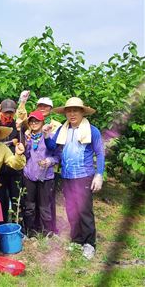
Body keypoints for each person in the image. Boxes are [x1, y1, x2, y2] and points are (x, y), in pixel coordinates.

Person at [45, 97, 105, 260]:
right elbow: (52, 147)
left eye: (75, 110)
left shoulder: (92, 131)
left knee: (84, 210)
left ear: (82, 112)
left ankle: (89, 243)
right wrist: (46, 135)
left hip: (84, 176)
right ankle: (77, 239)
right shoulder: (62, 130)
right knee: (71, 209)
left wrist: (99, 174)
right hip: (67, 176)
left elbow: (99, 153)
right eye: (69, 111)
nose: (72, 114)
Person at [22, 111, 58, 236]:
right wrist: (26, 145)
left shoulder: (50, 136)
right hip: (30, 175)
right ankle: (30, 231)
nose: (34, 123)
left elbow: (58, 156)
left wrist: (49, 161)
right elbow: (25, 157)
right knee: (30, 205)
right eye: (31, 121)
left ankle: (47, 231)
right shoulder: (27, 137)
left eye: (37, 120)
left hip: (46, 177)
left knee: (45, 206)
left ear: (43, 122)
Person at [0, 99, 23, 223]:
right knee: (1, 201)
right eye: (6, 112)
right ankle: (2, 227)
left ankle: (20, 227)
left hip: (15, 170)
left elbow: (22, 145)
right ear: (0, 111)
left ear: (15, 112)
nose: (8, 115)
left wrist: (20, 129)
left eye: (10, 112)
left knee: (17, 199)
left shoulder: (18, 125)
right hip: (0, 170)